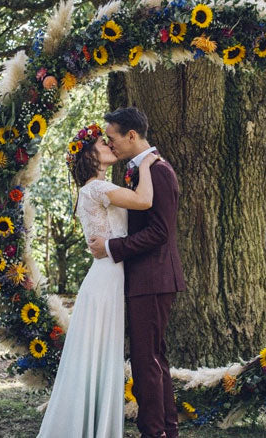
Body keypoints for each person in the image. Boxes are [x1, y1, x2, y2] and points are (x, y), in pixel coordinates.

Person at [37, 122, 159, 437]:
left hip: (105, 277)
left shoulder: (90, 190)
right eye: (102, 144)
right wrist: (146, 161)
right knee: (101, 353)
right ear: (91, 155)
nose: (108, 145)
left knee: (96, 353)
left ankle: (88, 424)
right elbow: (145, 201)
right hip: (107, 279)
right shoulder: (97, 188)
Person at [88, 107, 185, 438]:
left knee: (147, 362)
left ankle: (153, 432)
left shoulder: (158, 172)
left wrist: (113, 248)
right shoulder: (140, 171)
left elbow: (160, 232)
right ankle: (165, 430)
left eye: (112, 137)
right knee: (153, 359)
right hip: (143, 279)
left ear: (131, 135)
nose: (109, 144)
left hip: (153, 279)